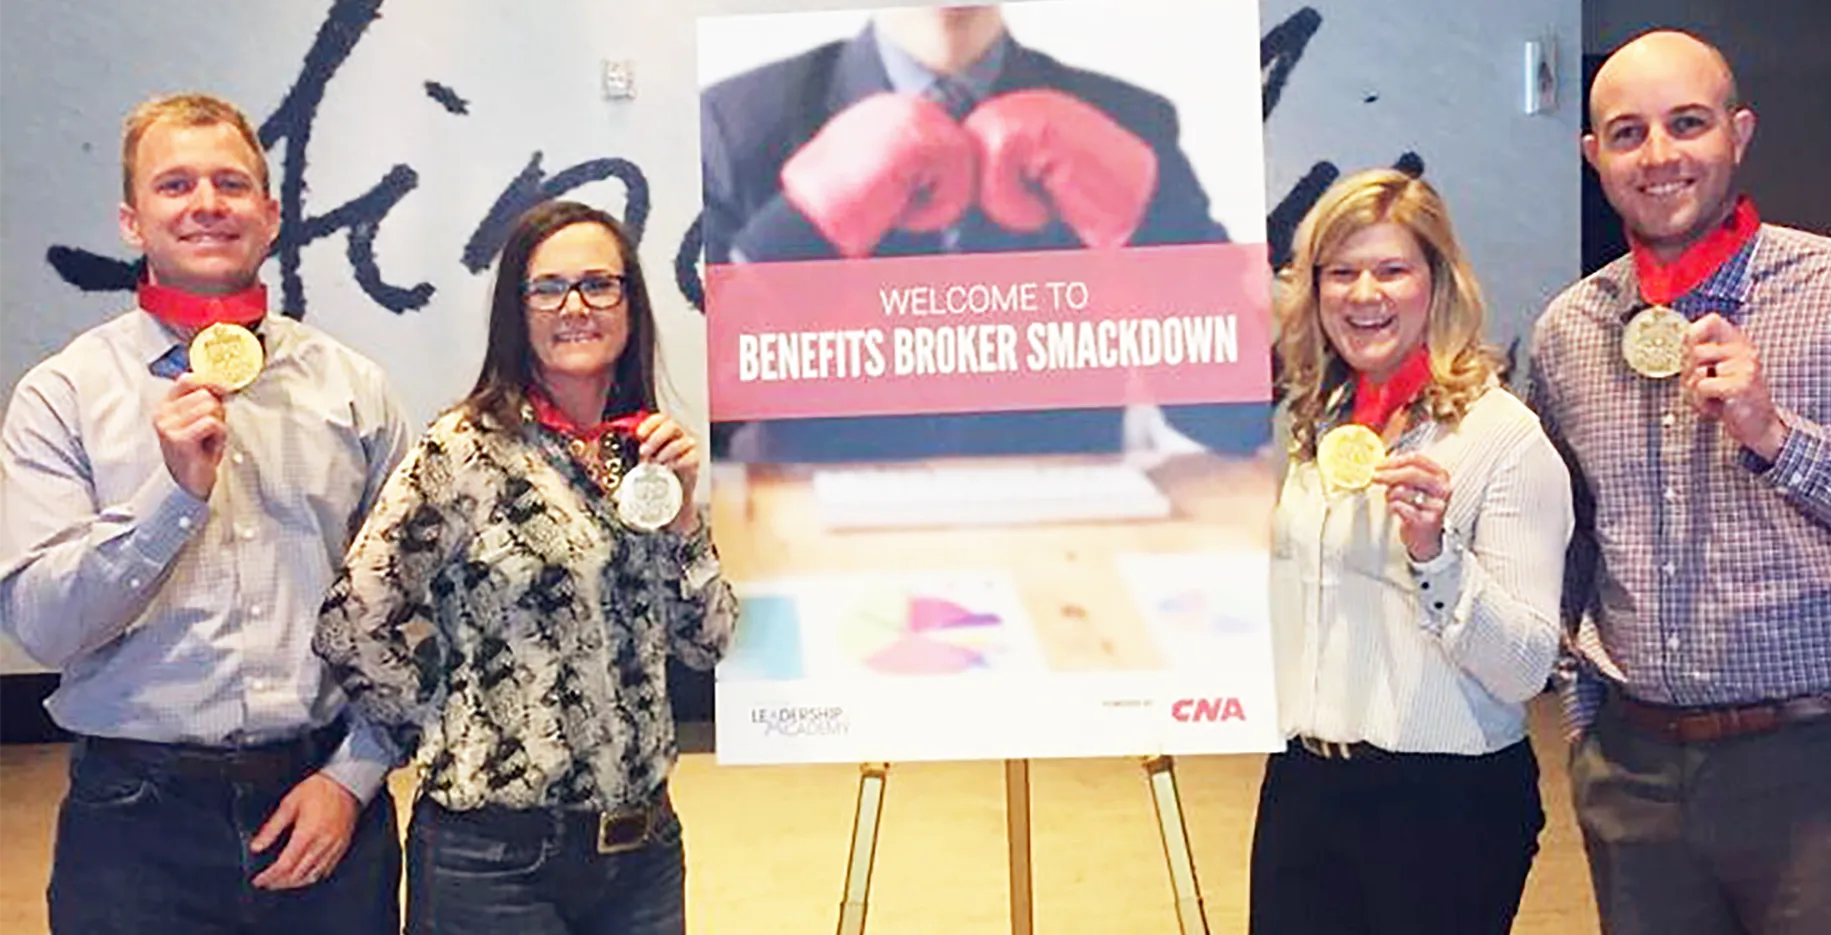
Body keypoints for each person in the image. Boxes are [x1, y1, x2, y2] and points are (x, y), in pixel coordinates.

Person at [1527, 29, 1831, 934]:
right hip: (1635, 774)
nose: (1659, 155)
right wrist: (1587, 723)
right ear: (1595, 155)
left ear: (1739, 133)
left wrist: (1776, 435)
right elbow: (1567, 543)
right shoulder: (1569, 332)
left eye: (1688, 123)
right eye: (1628, 133)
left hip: (1827, 771)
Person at [0, 92, 408, 933]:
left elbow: (416, 614)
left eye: (230, 183)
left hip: (323, 805)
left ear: (270, 214)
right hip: (132, 822)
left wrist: (354, 777)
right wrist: (172, 498)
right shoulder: (62, 395)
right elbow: (42, 627)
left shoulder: (355, 391)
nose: (206, 204)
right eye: (175, 185)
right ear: (131, 220)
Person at [313, 199, 739, 934]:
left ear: (631, 305)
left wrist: (685, 519)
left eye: (600, 284)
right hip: (495, 859)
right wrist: (443, 722)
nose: (575, 306)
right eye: (548, 287)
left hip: (641, 849)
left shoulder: (645, 453)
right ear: (519, 310)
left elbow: (709, 642)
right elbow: (353, 619)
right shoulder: (465, 449)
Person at [699, 2, 1265, 464]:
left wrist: (1147, 228)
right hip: (818, 542)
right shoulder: (741, 122)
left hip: (1071, 547)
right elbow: (702, 426)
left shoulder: (1130, 118)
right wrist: (804, 224)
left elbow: (1235, 421)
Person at [1250, 168, 1570, 935]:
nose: (1365, 294)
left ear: (1438, 282)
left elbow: (1527, 667)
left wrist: (1436, 555)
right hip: (1305, 784)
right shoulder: (1313, 422)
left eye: (1392, 269)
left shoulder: (1502, 438)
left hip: (1443, 802)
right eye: (1342, 272)